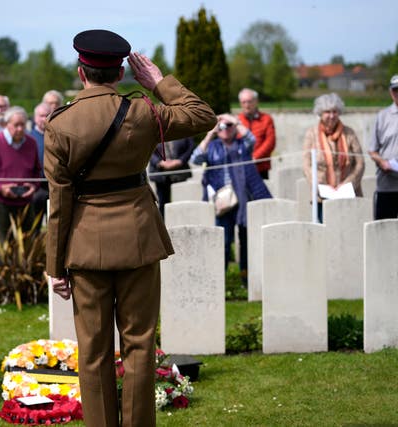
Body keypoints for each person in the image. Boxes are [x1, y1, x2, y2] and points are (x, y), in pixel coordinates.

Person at [45, 30, 216, 427]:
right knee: (140, 345)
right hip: (139, 239)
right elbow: (203, 115)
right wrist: (158, 83)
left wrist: (56, 266)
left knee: (93, 350)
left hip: (86, 246)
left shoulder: (60, 123)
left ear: (80, 71)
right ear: (121, 72)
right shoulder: (144, 112)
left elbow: (60, 202)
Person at [191, 114, 272, 278]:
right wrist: (210, 133)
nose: (225, 129)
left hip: (243, 199)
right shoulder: (212, 146)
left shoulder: (243, 145)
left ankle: (245, 276)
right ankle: (221, 279)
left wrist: (235, 121)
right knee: (224, 242)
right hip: (223, 202)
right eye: (222, 127)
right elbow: (195, 159)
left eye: (229, 126)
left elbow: (252, 139)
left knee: (245, 241)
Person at [0, 106, 41, 242]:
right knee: (2, 245)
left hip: (26, 200)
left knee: (27, 244)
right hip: (1, 202)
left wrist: (33, 187)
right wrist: (1, 187)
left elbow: (37, 171)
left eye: (23, 125)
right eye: (16, 125)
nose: (20, 129)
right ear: (7, 125)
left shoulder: (31, 143)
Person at [302, 93, 365, 222]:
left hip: (347, 193)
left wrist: (348, 183)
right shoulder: (311, 134)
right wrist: (319, 185)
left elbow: (360, 162)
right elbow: (306, 164)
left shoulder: (349, 133)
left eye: (335, 112)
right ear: (320, 113)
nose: (331, 116)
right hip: (322, 195)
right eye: (327, 112)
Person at [368, 74, 398, 219]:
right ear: (390, 92)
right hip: (387, 185)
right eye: (395, 90)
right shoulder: (382, 116)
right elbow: (372, 150)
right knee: (384, 231)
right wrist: (382, 162)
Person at [148, 137, 195, 216]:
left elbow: (190, 146)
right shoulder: (152, 127)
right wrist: (159, 162)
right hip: (160, 174)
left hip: (180, 173)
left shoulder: (182, 126)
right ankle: (163, 225)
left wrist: (180, 161)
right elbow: (147, 148)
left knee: (181, 203)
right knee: (163, 203)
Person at [237, 88, 276, 179]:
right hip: (241, 167)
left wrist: (255, 157)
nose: (247, 105)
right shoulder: (237, 121)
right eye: (244, 102)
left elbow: (270, 142)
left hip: (260, 167)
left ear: (256, 102)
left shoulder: (266, 119)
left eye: (249, 102)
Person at [29, 102, 52, 227]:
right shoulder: (28, 138)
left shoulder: (58, 136)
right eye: (41, 116)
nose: (44, 119)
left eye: (47, 115)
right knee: (34, 227)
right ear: (35, 117)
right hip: (36, 189)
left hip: (53, 187)